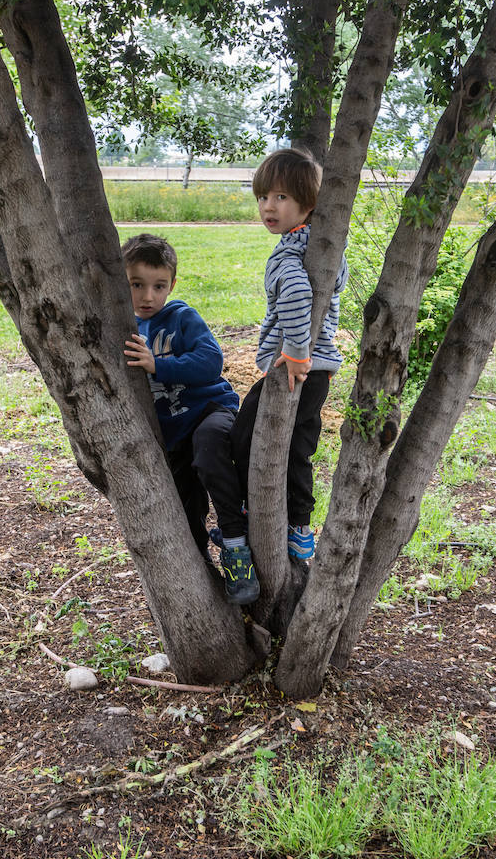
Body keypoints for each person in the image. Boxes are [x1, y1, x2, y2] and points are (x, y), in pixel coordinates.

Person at [122, 233, 260, 606]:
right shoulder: (122, 327)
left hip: (209, 411)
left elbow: (211, 361)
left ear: (172, 285)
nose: (147, 296)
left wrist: (158, 365)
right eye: (137, 285)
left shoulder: (180, 317)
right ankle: (200, 573)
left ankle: (235, 545)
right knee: (186, 508)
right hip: (173, 436)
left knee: (211, 448)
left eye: (158, 286)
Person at [231, 147, 346, 562]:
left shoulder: (289, 253)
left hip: (297, 367)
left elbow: (298, 295)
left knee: (246, 433)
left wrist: (297, 353)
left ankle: (254, 511)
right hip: (317, 370)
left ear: (307, 204)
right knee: (299, 445)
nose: (268, 206)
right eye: (263, 196)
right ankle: (298, 527)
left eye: (281, 197)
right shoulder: (320, 247)